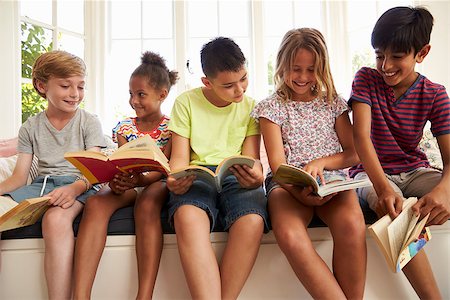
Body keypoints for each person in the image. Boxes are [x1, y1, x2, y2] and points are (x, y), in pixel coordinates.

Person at [252, 28, 367, 299]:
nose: (303, 77)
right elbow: (278, 166)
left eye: (311, 69)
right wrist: (298, 190)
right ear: (281, 65)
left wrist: (321, 163)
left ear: (322, 68)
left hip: (333, 185)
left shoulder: (333, 104)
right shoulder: (270, 108)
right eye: (296, 69)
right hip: (289, 186)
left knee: (352, 225)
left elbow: (354, 153)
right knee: (290, 235)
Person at [349, 6, 449, 299]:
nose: (385, 65)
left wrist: (444, 191)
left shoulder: (435, 94)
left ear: (422, 53)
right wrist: (383, 189)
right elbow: (361, 138)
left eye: (397, 57)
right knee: (397, 211)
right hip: (370, 173)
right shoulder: (365, 79)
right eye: (380, 55)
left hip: (416, 170)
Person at [166, 37, 269, 299]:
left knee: (253, 221)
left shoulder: (250, 106)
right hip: (196, 175)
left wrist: (256, 175)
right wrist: (174, 178)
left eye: (244, 79)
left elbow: (251, 157)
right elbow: (178, 157)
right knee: (187, 218)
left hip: (236, 175)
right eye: (229, 85)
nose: (240, 90)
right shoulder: (186, 103)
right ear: (207, 83)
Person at [0, 50, 107, 299]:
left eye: (80, 86)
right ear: (41, 85)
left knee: (55, 220)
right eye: (65, 85)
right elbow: (19, 178)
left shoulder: (89, 122)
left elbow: (95, 170)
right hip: (41, 187)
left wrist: (74, 189)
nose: (75, 94)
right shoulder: (30, 127)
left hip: (80, 184)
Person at [73, 51, 178, 299]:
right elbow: (122, 161)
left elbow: (165, 167)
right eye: (131, 94)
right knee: (96, 202)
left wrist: (141, 179)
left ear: (162, 95)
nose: (134, 100)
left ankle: (144, 294)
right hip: (129, 182)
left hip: (157, 182)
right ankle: (80, 294)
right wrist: (118, 179)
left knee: (148, 202)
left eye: (141, 94)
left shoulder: (173, 127)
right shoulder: (124, 127)